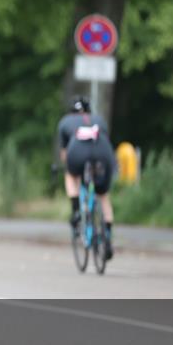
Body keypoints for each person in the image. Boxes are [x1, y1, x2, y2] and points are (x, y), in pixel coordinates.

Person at [57, 96, 116, 260]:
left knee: (70, 174)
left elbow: (64, 155)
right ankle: (108, 239)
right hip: (103, 152)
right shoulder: (100, 119)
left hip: (77, 152)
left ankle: (76, 211)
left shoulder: (65, 122)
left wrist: (69, 167)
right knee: (103, 196)